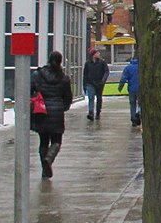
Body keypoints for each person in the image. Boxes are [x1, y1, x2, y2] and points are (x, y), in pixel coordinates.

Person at [31, 50, 74, 179]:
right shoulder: (64, 78)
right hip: (57, 111)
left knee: (43, 140)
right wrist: (63, 107)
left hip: (41, 111)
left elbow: (30, 89)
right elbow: (68, 97)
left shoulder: (38, 75)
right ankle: (49, 159)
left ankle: (44, 167)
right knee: (56, 140)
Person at [82, 48, 109, 120]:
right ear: (93, 55)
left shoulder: (102, 62)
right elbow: (85, 74)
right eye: (97, 53)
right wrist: (84, 84)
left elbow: (106, 72)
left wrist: (103, 80)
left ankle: (98, 112)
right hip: (90, 82)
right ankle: (91, 112)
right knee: (91, 97)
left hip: (99, 83)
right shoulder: (88, 63)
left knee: (99, 97)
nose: (99, 54)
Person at [119, 54, 140, 126]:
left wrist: (120, 87)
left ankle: (133, 119)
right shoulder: (142, 67)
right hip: (140, 89)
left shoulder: (128, 68)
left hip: (131, 89)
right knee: (141, 104)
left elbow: (124, 78)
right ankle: (139, 114)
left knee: (132, 104)